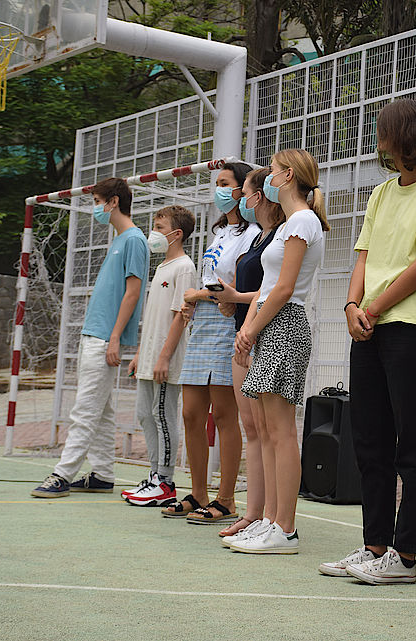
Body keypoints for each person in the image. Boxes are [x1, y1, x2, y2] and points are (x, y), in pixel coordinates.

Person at [319, 99, 416, 584]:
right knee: (370, 438)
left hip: (411, 327)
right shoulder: (380, 193)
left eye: (383, 133)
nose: (379, 143)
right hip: (369, 325)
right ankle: (374, 545)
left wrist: (371, 309)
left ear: (404, 136)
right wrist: (351, 306)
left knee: (411, 442)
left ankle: (405, 556)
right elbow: (363, 256)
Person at [230, 149, 328, 554]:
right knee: (269, 429)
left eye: (272, 171)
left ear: (287, 176)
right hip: (270, 324)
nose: (267, 177)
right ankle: (270, 520)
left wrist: (251, 328)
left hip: (285, 325)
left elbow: (285, 289)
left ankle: (284, 528)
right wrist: (250, 327)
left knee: (282, 430)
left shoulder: (303, 221)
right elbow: (269, 285)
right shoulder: (290, 223)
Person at [31, 177, 148, 498]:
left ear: (113, 202)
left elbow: (133, 293)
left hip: (104, 338)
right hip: (94, 334)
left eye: (97, 202)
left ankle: (62, 474)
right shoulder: (120, 239)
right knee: (101, 409)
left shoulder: (135, 240)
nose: (95, 208)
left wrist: (115, 337)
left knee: (84, 409)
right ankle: (103, 474)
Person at [160, 162, 260, 523]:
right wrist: (196, 300)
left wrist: (196, 294)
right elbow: (212, 282)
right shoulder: (220, 233)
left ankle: (226, 498)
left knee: (222, 414)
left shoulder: (253, 234)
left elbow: (233, 288)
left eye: (225, 183)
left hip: (226, 324)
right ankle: (198, 492)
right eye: (216, 183)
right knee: (191, 413)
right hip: (202, 324)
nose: (218, 189)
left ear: (243, 189)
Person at [208, 167, 285, 542]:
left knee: (271, 430)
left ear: (259, 195)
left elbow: (277, 290)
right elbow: (253, 290)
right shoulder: (261, 239)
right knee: (253, 429)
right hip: (244, 332)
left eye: (243, 192)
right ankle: (254, 513)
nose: (239, 200)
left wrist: (238, 299)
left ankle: (274, 517)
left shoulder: (276, 236)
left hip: (263, 334)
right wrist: (231, 303)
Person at [122, 205, 196, 507]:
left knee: (162, 415)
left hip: (167, 358)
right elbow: (153, 318)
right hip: (149, 357)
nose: (153, 233)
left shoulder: (184, 267)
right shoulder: (161, 267)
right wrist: (141, 353)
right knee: (144, 413)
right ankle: (154, 476)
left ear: (176, 234)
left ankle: (165, 481)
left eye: (159, 227)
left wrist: (164, 357)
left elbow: (181, 315)